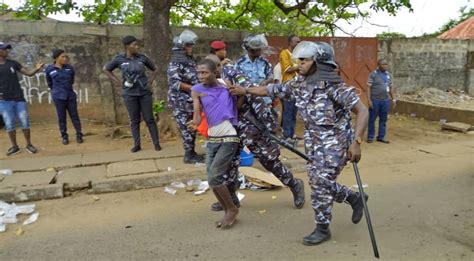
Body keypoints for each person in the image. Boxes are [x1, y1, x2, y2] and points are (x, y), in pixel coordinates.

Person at [230, 41, 369, 246]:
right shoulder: (298, 84)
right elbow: (271, 90)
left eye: (305, 59)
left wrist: (356, 142)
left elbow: (363, 111)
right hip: (313, 143)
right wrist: (245, 90)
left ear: (319, 62)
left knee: (321, 183)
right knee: (317, 182)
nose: (300, 63)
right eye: (300, 59)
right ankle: (353, 198)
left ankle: (322, 228)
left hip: (335, 143)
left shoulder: (334, 87)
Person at [206, 53, 305, 212]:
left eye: (211, 69)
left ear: (219, 67)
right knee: (229, 162)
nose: (207, 74)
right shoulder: (208, 80)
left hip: (250, 124)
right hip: (230, 127)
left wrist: (266, 124)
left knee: (268, 160)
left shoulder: (233, 74)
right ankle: (231, 198)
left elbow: (252, 94)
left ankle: (294, 184)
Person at [188, 59, 241, 229]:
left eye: (204, 72)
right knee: (212, 179)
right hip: (212, 139)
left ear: (214, 73)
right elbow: (197, 114)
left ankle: (231, 209)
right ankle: (228, 209)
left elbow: (238, 102)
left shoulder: (226, 85)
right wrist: (194, 123)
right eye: (198, 73)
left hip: (229, 137)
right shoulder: (196, 90)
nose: (201, 76)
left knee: (215, 176)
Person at [104, 35, 161, 153]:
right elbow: (106, 69)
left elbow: (155, 68)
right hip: (129, 93)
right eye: (134, 45)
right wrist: (117, 82)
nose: (137, 47)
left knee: (149, 118)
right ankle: (137, 144)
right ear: (127, 46)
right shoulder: (119, 59)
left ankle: (156, 143)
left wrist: (150, 80)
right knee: (134, 120)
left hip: (144, 92)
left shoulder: (142, 58)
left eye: (137, 44)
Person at [167, 29, 205, 163]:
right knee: (186, 128)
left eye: (191, 45)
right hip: (180, 102)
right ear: (181, 47)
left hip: (190, 101)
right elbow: (175, 83)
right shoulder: (176, 62)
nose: (191, 48)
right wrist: (194, 89)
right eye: (189, 45)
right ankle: (188, 155)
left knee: (192, 126)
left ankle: (192, 152)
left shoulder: (189, 60)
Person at [0, 41, 44, 156]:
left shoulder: (13, 63)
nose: (6, 51)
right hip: (4, 100)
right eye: (4, 49)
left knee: (25, 122)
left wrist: (37, 69)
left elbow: (28, 73)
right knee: (9, 124)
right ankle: (15, 147)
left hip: (19, 98)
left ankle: (29, 144)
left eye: (6, 49)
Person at [45, 49, 83, 145]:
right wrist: (56, 91)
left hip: (70, 96)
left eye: (66, 57)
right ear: (56, 58)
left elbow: (72, 81)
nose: (65, 58)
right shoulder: (50, 69)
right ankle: (64, 136)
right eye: (62, 57)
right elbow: (49, 83)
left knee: (74, 116)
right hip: (58, 97)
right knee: (61, 117)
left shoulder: (69, 68)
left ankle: (79, 135)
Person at [367, 59, 396, 143]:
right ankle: (370, 136)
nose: (385, 66)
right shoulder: (373, 75)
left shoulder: (388, 75)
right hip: (375, 100)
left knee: (383, 119)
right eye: (383, 64)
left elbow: (390, 88)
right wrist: (369, 100)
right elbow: (368, 87)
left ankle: (381, 136)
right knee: (372, 119)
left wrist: (394, 99)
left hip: (385, 100)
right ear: (379, 65)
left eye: (386, 64)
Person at [279, 35, 301, 142]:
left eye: (299, 42)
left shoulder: (297, 55)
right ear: (290, 43)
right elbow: (287, 69)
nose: (298, 44)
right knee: (287, 111)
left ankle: (292, 134)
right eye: (296, 42)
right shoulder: (285, 53)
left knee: (293, 112)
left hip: (297, 87)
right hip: (288, 86)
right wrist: (300, 67)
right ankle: (286, 135)